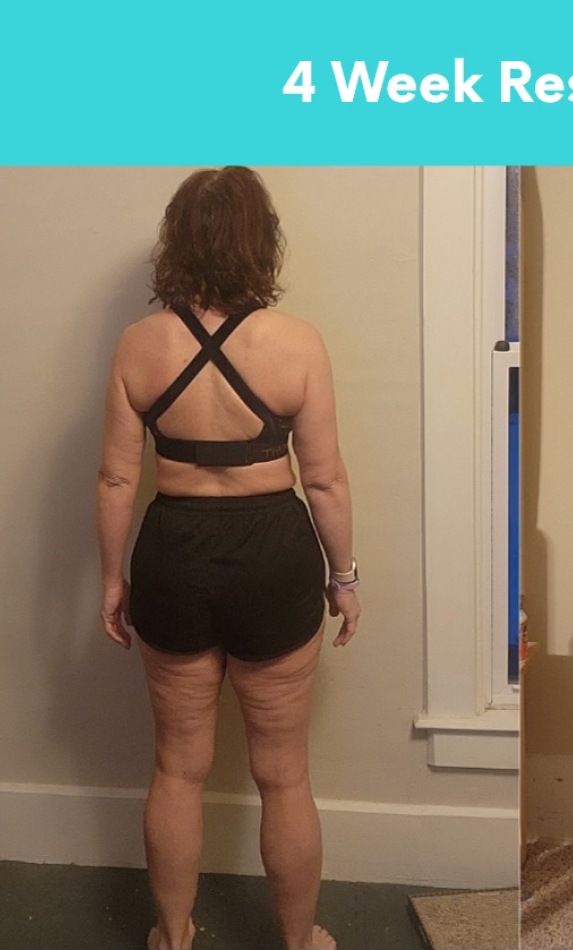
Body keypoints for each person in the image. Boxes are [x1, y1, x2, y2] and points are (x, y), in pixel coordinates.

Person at [96, 166, 359, 950]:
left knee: (177, 767)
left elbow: (116, 476)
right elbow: (325, 479)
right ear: (259, 243)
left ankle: (172, 937)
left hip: (174, 551)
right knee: (283, 772)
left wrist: (113, 581)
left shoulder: (140, 345)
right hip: (273, 554)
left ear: (178, 242)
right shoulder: (296, 342)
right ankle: (297, 939)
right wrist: (344, 580)